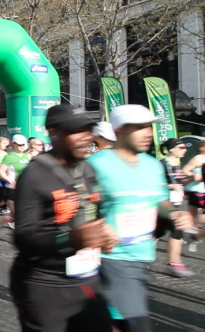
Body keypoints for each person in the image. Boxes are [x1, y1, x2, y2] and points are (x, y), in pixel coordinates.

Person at [88, 105, 193, 332]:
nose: (148, 132)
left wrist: (174, 213)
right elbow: (78, 208)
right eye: (140, 127)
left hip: (140, 257)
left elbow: (159, 200)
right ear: (121, 131)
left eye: (150, 127)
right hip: (112, 258)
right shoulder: (95, 165)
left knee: (112, 322)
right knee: (136, 325)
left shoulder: (152, 165)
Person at [12, 104, 115, 332]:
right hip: (45, 285)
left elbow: (92, 216)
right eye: (75, 131)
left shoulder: (88, 169)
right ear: (53, 133)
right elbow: (23, 238)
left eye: (88, 130)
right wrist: (72, 240)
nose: (85, 137)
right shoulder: (35, 174)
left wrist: (103, 234)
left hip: (87, 281)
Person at [159, 138, 195, 277]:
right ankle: (174, 263)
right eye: (181, 147)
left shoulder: (177, 164)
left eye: (185, 148)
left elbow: (180, 184)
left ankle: (174, 263)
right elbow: (153, 184)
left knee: (173, 230)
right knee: (173, 230)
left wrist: (192, 179)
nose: (185, 150)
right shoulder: (161, 164)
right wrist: (170, 186)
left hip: (176, 203)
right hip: (164, 203)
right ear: (172, 149)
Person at [0, 134, 31, 236]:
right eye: (20, 144)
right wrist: (9, 180)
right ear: (13, 144)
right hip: (12, 189)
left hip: (25, 188)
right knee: (16, 215)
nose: (22, 146)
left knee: (24, 213)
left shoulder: (27, 156)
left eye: (23, 144)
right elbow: (1, 171)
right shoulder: (9, 156)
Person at [182, 140, 205, 222]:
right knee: (192, 214)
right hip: (197, 189)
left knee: (196, 214)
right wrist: (194, 175)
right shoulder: (197, 158)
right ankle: (187, 228)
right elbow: (185, 170)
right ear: (201, 147)